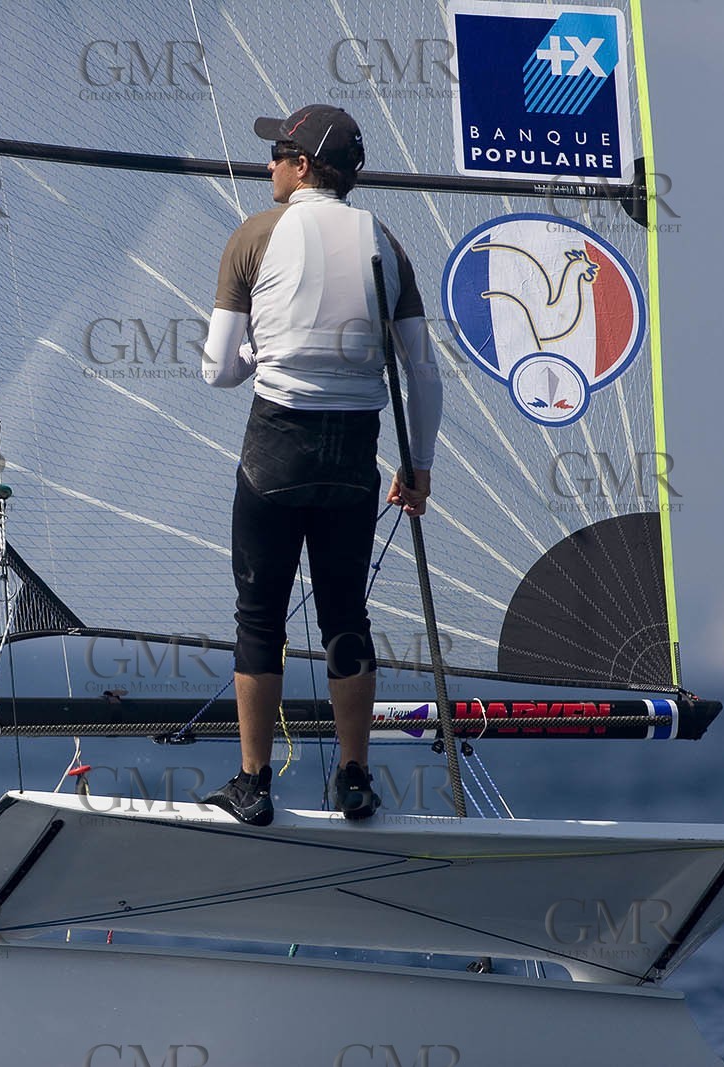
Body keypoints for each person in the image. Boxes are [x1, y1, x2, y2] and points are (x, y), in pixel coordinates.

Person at [200, 105, 442, 826]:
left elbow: (217, 369)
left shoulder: (254, 235)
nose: (267, 164)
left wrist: (261, 354)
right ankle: (355, 778)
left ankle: (253, 784)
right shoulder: (387, 243)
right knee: (347, 614)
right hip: (351, 455)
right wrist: (418, 467)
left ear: (304, 165)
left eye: (278, 152)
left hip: (276, 447)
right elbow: (423, 374)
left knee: (259, 617)